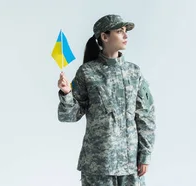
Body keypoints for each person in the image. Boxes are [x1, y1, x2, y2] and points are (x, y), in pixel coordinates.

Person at [56, 14, 156, 186]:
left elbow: (145, 116)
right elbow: (69, 116)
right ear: (104, 36)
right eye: (119, 31)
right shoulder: (87, 72)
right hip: (98, 165)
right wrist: (66, 94)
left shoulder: (134, 72)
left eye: (125, 31)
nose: (125, 35)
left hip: (130, 164)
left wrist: (145, 155)